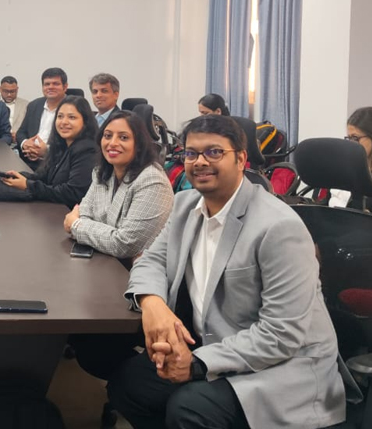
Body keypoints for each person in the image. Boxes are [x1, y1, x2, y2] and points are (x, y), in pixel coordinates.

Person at [107, 114, 350, 429]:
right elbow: (151, 260)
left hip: (283, 365)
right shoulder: (184, 206)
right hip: (215, 343)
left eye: (214, 152)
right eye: (191, 153)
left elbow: (282, 334)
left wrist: (197, 364)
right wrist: (153, 304)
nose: (200, 162)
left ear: (241, 159)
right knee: (128, 385)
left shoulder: (279, 227)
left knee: (190, 407)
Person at [65, 110, 173, 260]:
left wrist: (76, 225)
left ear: (139, 144)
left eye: (123, 137)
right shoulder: (102, 172)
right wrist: (110, 234)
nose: (112, 143)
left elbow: (125, 244)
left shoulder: (152, 181)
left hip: (135, 270)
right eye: (108, 136)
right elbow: (84, 213)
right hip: (106, 261)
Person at [0, 96, 98, 208]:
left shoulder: (87, 150)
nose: (64, 122)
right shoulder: (62, 145)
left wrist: (28, 186)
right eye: (60, 116)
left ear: (85, 122)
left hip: (68, 213)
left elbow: (73, 193)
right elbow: (44, 177)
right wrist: (19, 176)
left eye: (72, 117)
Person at [16, 67, 69, 170]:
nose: (50, 87)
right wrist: (25, 143)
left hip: (56, 165)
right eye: (47, 84)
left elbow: (75, 143)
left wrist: (47, 151)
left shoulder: (73, 108)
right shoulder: (34, 105)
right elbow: (21, 132)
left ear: (65, 87)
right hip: (28, 161)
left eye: (55, 84)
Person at [0, 75, 28, 144]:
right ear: (0, 89)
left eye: (12, 91)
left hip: (19, 143)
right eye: (6, 91)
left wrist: (19, 135)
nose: (9, 94)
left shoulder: (26, 105)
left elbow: (29, 127)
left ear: (17, 89)